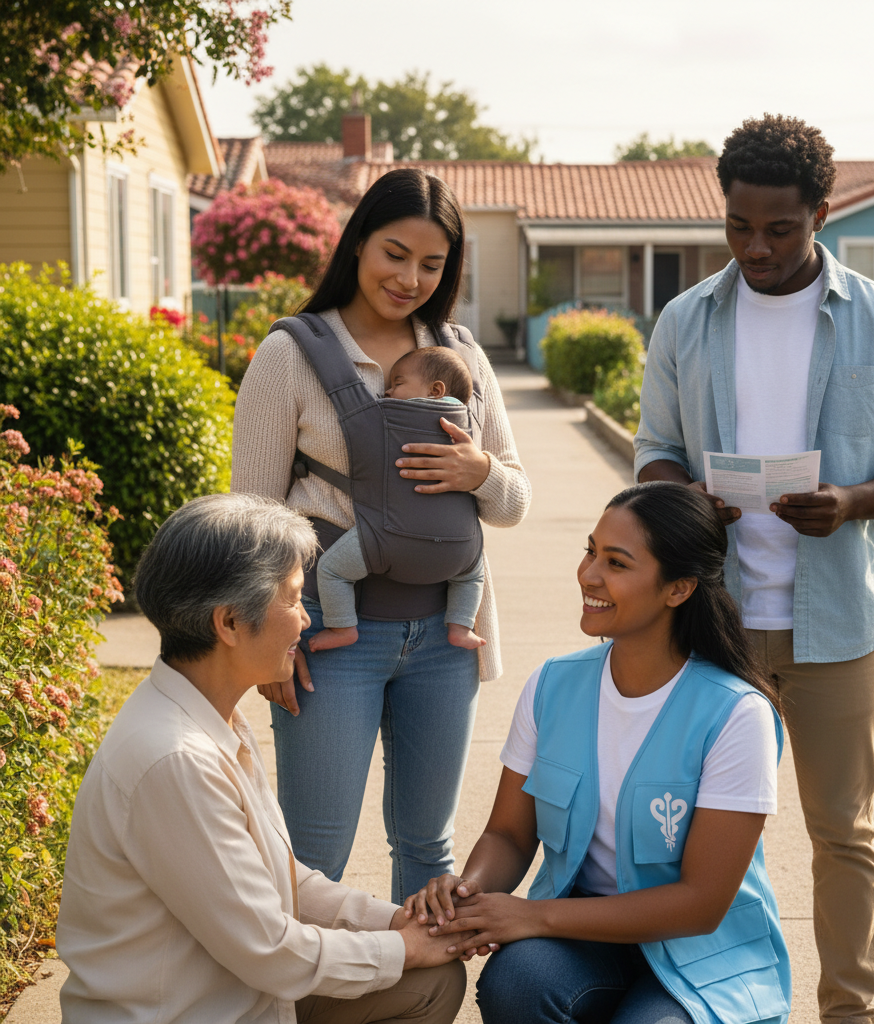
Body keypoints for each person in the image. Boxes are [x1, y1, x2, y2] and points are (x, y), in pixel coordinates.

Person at [634, 114, 874, 1023]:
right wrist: (692, 499)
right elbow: (655, 452)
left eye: (780, 229)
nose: (756, 248)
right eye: (739, 227)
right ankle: (723, 1005)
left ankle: (848, 1011)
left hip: (838, 626)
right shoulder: (687, 319)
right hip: (714, 625)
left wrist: (851, 500)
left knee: (842, 834)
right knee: (707, 837)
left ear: (822, 213)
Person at [231, 167, 531, 903]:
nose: (409, 279)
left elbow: (514, 502)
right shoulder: (290, 355)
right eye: (395, 254)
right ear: (359, 241)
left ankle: (420, 977)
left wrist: (479, 471)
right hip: (331, 638)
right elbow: (251, 518)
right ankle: (305, 980)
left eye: (431, 264)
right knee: (316, 853)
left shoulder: (461, 356)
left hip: (446, 638)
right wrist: (265, 646)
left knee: (428, 846)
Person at [57, 493, 471, 1024]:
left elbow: (282, 880)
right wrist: (406, 947)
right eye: (294, 599)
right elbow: (273, 951)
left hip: (242, 995)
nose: (305, 620)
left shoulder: (211, 715)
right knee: (419, 971)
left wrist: (396, 923)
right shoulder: (175, 760)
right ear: (229, 623)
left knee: (432, 978)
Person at [405, 482, 791, 1024]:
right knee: (517, 984)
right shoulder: (552, 686)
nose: (588, 574)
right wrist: (469, 891)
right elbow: (509, 834)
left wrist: (533, 917)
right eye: (590, 551)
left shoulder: (736, 713)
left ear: (678, 589)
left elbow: (701, 904)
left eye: (616, 562)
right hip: (584, 932)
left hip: (702, 953)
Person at [309, 346, 486, 654]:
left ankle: (342, 627)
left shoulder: (387, 415)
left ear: (435, 391)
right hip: (460, 547)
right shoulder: (469, 423)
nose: (388, 392)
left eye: (398, 383)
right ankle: (460, 627)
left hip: (386, 539)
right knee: (472, 576)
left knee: (331, 571)